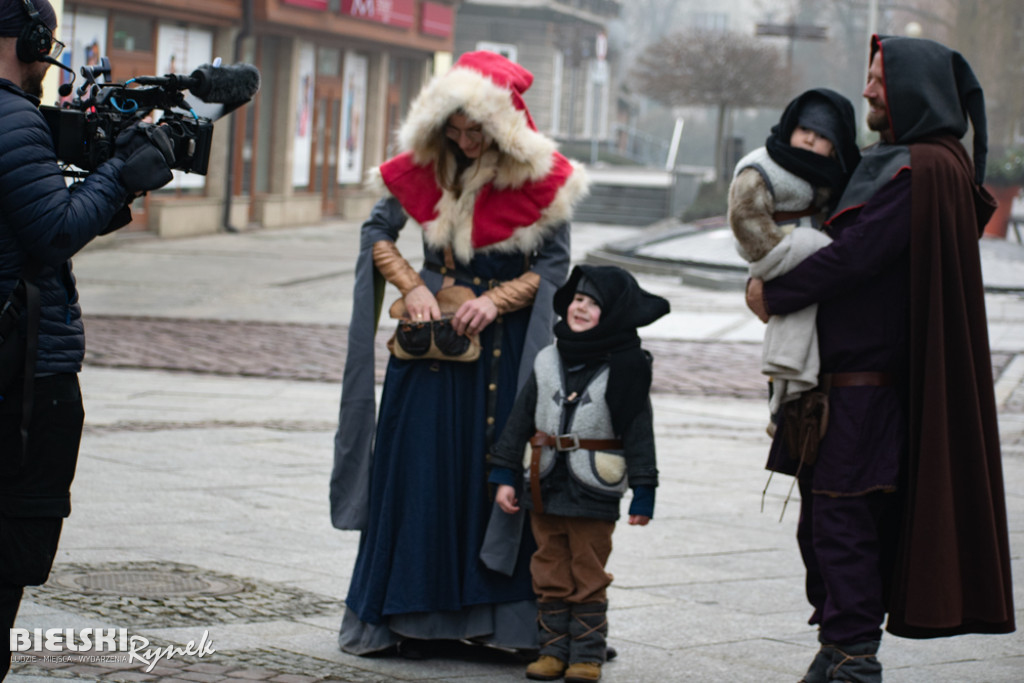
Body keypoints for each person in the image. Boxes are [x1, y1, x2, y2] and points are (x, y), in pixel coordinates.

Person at [745, 35, 1015, 682]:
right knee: (829, 524)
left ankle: (853, 658)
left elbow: (855, 254)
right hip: (844, 390)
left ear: (914, 89)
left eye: (878, 79)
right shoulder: (906, 162)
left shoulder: (921, 168)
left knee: (843, 521)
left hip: (865, 395)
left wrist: (770, 290)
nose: (866, 89)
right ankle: (840, 646)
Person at [329, 51, 589, 657]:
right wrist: (412, 285)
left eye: (478, 131)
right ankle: (411, 619)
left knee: (492, 477)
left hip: (503, 362)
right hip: (425, 357)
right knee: (418, 476)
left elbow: (553, 267)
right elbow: (376, 233)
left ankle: (504, 627)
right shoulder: (424, 167)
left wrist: (497, 301)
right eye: (456, 129)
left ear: (503, 127)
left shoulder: (544, 181)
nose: (465, 141)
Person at [0, 0, 175, 678]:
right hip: (22, 377)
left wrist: (99, 193)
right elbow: (53, 231)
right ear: (37, 41)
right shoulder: (14, 114)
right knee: (13, 542)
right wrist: (120, 174)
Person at [486, 265, 668, 683]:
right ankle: (552, 651)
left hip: (594, 490)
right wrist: (505, 474)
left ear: (616, 313)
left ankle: (586, 654)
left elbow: (640, 433)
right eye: (577, 299)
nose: (581, 307)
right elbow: (519, 420)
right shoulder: (548, 359)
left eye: (593, 303)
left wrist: (644, 490)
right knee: (548, 567)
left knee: (587, 571)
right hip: (544, 483)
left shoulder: (628, 367)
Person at [728, 89, 860, 427]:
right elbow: (746, 217)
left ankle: (799, 399)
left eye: (822, 137)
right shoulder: (762, 166)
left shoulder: (834, 173)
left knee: (807, 333)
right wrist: (784, 253)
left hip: (817, 268)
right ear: (791, 127)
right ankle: (780, 397)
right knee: (785, 326)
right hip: (780, 260)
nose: (810, 140)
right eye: (805, 131)